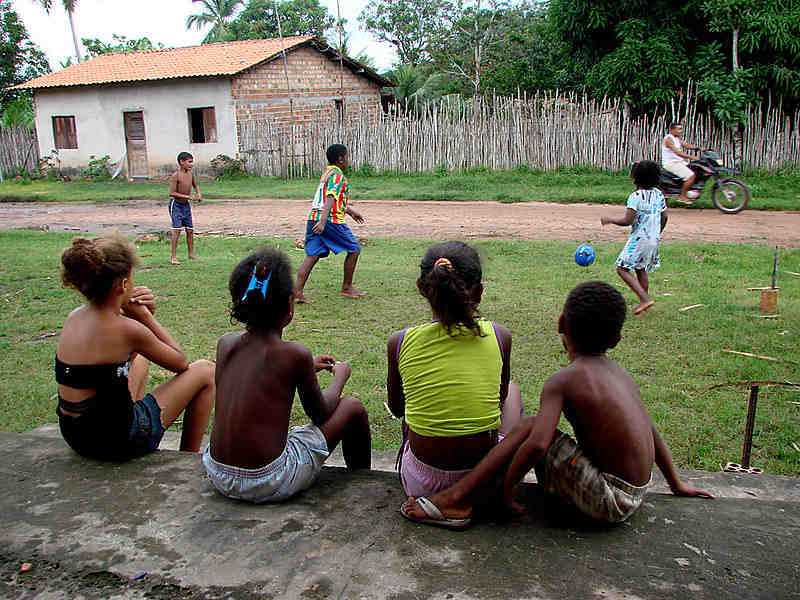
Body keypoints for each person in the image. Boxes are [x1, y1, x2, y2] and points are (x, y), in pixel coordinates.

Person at [400, 281, 714, 529]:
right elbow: (651, 429)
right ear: (617, 339)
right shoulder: (621, 374)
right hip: (633, 493)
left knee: (532, 425)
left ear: (561, 323)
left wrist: (506, 489)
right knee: (535, 426)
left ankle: (457, 497)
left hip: (607, 500)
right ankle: (470, 492)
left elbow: (538, 444)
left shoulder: (563, 380)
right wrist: (676, 483)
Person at [202, 248, 372, 503]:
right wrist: (340, 377)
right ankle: (365, 484)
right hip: (266, 479)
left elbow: (251, 381)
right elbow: (321, 412)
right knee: (352, 407)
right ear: (289, 307)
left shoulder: (226, 343)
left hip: (217, 472)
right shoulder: (294, 354)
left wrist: (303, 370)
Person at [56, 232, 215, 461]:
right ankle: (186, 460)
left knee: (140, 358)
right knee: (206, 371)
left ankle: (129, 418)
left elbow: (116, 351)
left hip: (77, 436)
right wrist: (145, 318)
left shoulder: (74, 318)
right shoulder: (128, 330)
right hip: (117, 441)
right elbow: (181, 363)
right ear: (123, 284)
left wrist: (133, 317)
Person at [387, 241, 524, 500]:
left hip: (421, 486)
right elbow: (500, 400)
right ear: (480, 291)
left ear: (421, 288)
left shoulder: (400, 341)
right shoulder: (499, 336)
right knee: (513, 391)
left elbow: (397, 410)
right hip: (483, 481)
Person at [295, 144, 365, 303]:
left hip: (313, 217)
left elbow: (330, 198)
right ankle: (347, 288)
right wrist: (323, 221)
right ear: (341, 159)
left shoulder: (327, 173)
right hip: (329, 220)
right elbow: (330, 197)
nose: (348, 160)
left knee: (312, 255)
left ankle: (296, 292)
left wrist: (349, 211)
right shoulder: (338, 175)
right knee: (354, 249)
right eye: (347, 157)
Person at [601, 160, 668, 316]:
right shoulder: (659, 195)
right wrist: (657, 232)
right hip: (653, 239)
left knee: (622, 268)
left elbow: (627, 220)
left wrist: (610, 220)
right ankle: (643, 301)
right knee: (640, 268)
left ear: (635, 178)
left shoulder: (635, 197)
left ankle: (644, 298)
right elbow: (665, 217)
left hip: (639, 240)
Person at [168, 151, 201, 265]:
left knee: (190, 230)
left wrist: (198, 194)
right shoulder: (176, 175)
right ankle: (173, 257)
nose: (191, 164)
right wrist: (189, 196)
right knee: (176, 231)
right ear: (181, 162)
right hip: (176, 205)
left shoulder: (190, 174)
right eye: (189, 162)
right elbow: (172, 193)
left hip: (186, 205)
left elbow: (195, 186)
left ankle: (191, 254)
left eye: (192, 162)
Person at [662, 122, 702, 205]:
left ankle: (690, 190)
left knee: (696, 169)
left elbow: (686, 145)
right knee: (691, 176)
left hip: (679, 162)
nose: (681, 131)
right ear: (672, 130)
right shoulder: (668, 139)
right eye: (679, 129)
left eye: (681, 129)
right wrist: (693, 157)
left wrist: (699, 148)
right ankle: (682, 196)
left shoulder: (676, 138)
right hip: (671, 163)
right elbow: (678, 153)